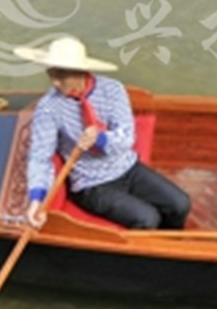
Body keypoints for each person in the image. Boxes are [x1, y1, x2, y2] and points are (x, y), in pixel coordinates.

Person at [14, 35, 191, 230]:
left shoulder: (113, 90)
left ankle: (168, 245)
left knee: (180, 204)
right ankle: (146, 255)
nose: (55, 83)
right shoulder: (48, 107)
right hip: (91, 184)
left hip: (127, 168)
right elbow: (40, 156)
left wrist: (101, 139)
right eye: (52, 75)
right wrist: (36, 199)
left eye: (61, 76)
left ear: (80, 72)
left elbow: (126, 137)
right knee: (147, 219)